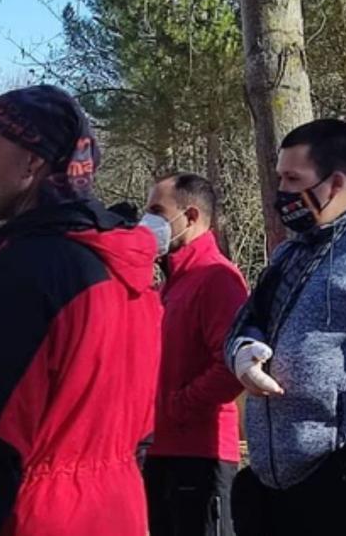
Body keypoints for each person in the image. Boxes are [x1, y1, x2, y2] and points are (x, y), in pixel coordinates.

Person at [0, 84, 164, 536]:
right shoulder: (132, 269)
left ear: (31, 163)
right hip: (118, 512)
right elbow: (143, 430)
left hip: (34, 517)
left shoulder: (25, 272)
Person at [225, 119, 346, 535]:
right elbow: (246, 322)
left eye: (293, 179)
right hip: (272, 484)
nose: (282, 192)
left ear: (333, 183)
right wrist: (243, 352)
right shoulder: (290, 252)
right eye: (279, 177)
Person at [143, 173, 248, 536]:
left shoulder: (218, 277)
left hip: (202, 457)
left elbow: (233, 364)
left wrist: (178, 405)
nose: (148, 221)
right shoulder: (169, 283)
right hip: (160, 450)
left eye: (157, 210)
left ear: (189, 216)